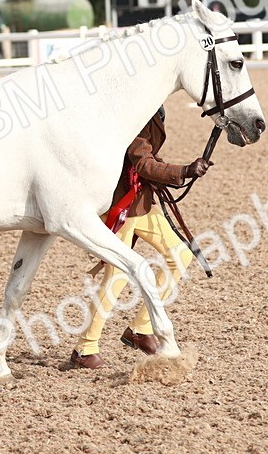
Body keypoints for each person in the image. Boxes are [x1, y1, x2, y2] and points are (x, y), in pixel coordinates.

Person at [68, 106, 212, 369]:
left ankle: (140, 329)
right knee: (118, 275)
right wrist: (183, 171)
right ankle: (85, 349)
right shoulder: (133, 107)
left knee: (179, 255)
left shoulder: (152, 104)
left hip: (140, 201)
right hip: (121, 203)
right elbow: (142, 161)